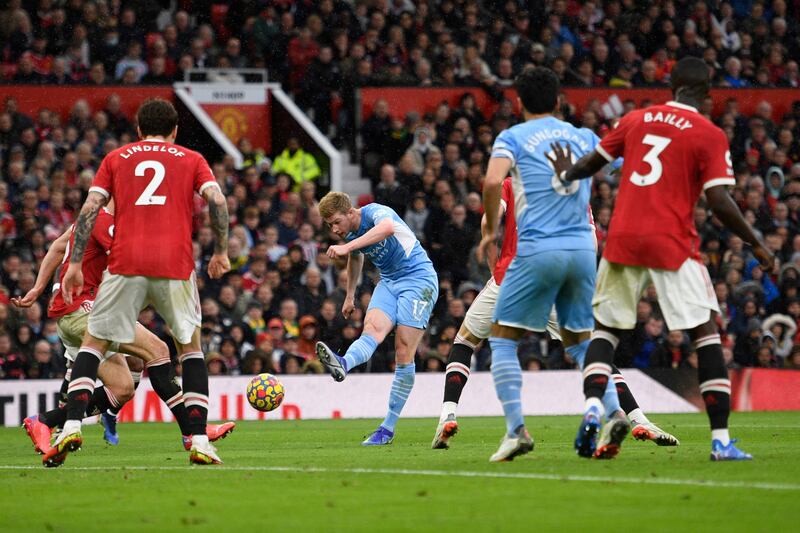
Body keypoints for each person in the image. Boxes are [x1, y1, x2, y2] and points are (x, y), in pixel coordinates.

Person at [551, 57, 774, 461]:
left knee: (604, 333)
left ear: (671, 85)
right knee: (705, 332)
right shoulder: (708, 133)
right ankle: (721, 441)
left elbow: (591, 164)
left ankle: (592, 409)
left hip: (622, 238)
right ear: (706, 95)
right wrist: (756, 242)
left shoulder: (636, 119)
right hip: (672, 241)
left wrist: (564, 176)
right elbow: (719, 200)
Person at [431, 176, 678, 451]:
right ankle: (636, 418)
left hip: (511, 277)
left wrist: (493, 263)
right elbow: (591, 242)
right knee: (591, 353)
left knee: (465, 343)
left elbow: (489, 220)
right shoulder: (575, 189)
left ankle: (449, 415)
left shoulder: (513, 183)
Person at [54, 98, 231, 466]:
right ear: (175, 130)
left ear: (137, 130)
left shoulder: (117, 158)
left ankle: (70, 424)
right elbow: (217, 200)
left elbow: (89, 211)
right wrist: (221, 250)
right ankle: (199, 439)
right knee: (190, 349)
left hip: (126, 264)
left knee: (94, 343)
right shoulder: (191, 159)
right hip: (175, 263)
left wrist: (73, 264)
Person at [476, 66, 616, 462]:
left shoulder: (513, 137)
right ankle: (614, 411)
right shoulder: (583, 135)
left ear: (518, 103)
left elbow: (490, 183)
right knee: (580, 342)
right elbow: (622, 165)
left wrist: (489, 232)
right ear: (558, 102)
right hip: (583, 251)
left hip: (538, 250)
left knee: (503, 339)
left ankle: (517, 430)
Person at [14, 209, 234, 458]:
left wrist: (37, 288)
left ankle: (43, 421)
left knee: (122, 388)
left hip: (74, 313)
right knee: (158, 350)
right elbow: (129, 259)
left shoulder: (87, 219)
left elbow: (57, 247)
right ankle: (193, 432)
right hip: (82, 311)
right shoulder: (105, 219)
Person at [315, 192, 438, 445]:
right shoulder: (349, 234)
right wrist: (350, 295)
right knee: (371, 329)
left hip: (419, 280)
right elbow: (356, 256)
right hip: (390, 282)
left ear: (350, 212)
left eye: (336, 222)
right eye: (329, 226)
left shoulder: (374, 212)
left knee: (403, 350)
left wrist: (348, 246)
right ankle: (344, 363)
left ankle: (388, 428)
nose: (335, 229)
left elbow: (387, 228)